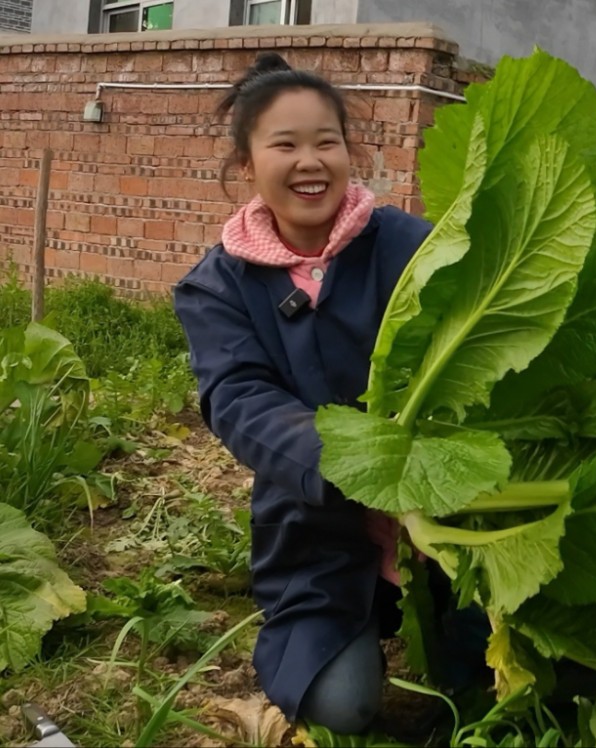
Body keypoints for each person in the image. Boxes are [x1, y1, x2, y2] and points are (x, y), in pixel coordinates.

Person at [173, 52, 477, 735]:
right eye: (285, 145)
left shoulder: (408, 245)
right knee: (342, 706)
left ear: (349, 151)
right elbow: (239, 399)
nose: (309, 161)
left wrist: (429, 476)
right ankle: (348, 625)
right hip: (316, 520)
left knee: (489, 668)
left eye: (326, 142)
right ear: (247, 165)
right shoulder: (218, 286)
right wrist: (358, 466)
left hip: (450, 506)